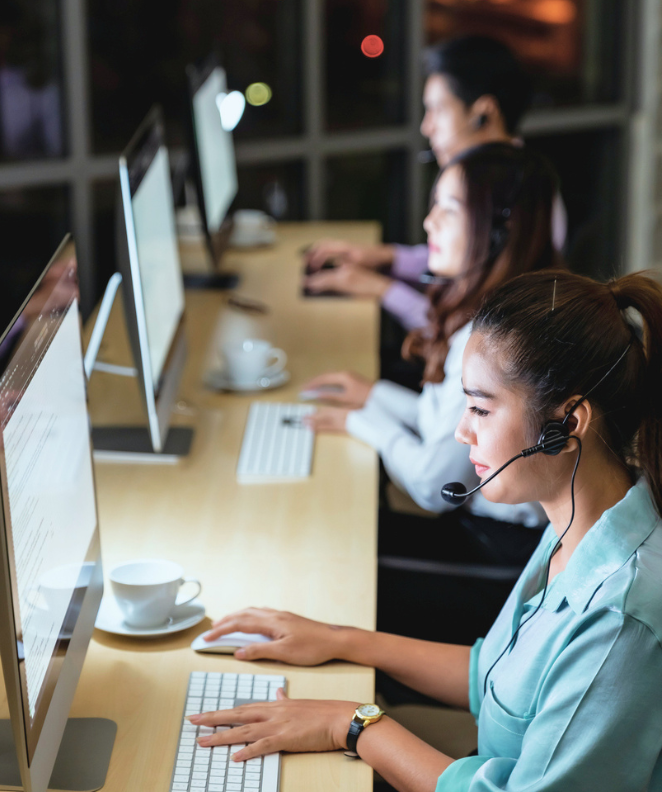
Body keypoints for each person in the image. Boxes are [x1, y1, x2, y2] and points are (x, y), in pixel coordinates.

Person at [189, 268, 662, 792]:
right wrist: (339, 639)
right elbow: (493, 676)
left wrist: (352, 724)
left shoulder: (620, 619)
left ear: (567, 424)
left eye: (481, 408)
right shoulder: (578, 522)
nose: (462, 431)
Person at [303, 143, 559, 644]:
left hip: (504, 559)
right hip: (499, 538)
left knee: (335, 568)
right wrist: (372, 395)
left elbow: (435, 485)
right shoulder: (502, 310)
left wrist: (362, 422)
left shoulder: (490, 339)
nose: (428, 223)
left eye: (448, 208)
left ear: (497, 229)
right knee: (336, 539)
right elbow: (444, 424)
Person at [304, 35, 539, 329]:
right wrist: (384, 258)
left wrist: (382, 288)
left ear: (483, 113)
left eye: (438, 110)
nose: (426, 126)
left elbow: (474, 332)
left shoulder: (523, 198)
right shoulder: (503, 180)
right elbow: (466, 253)